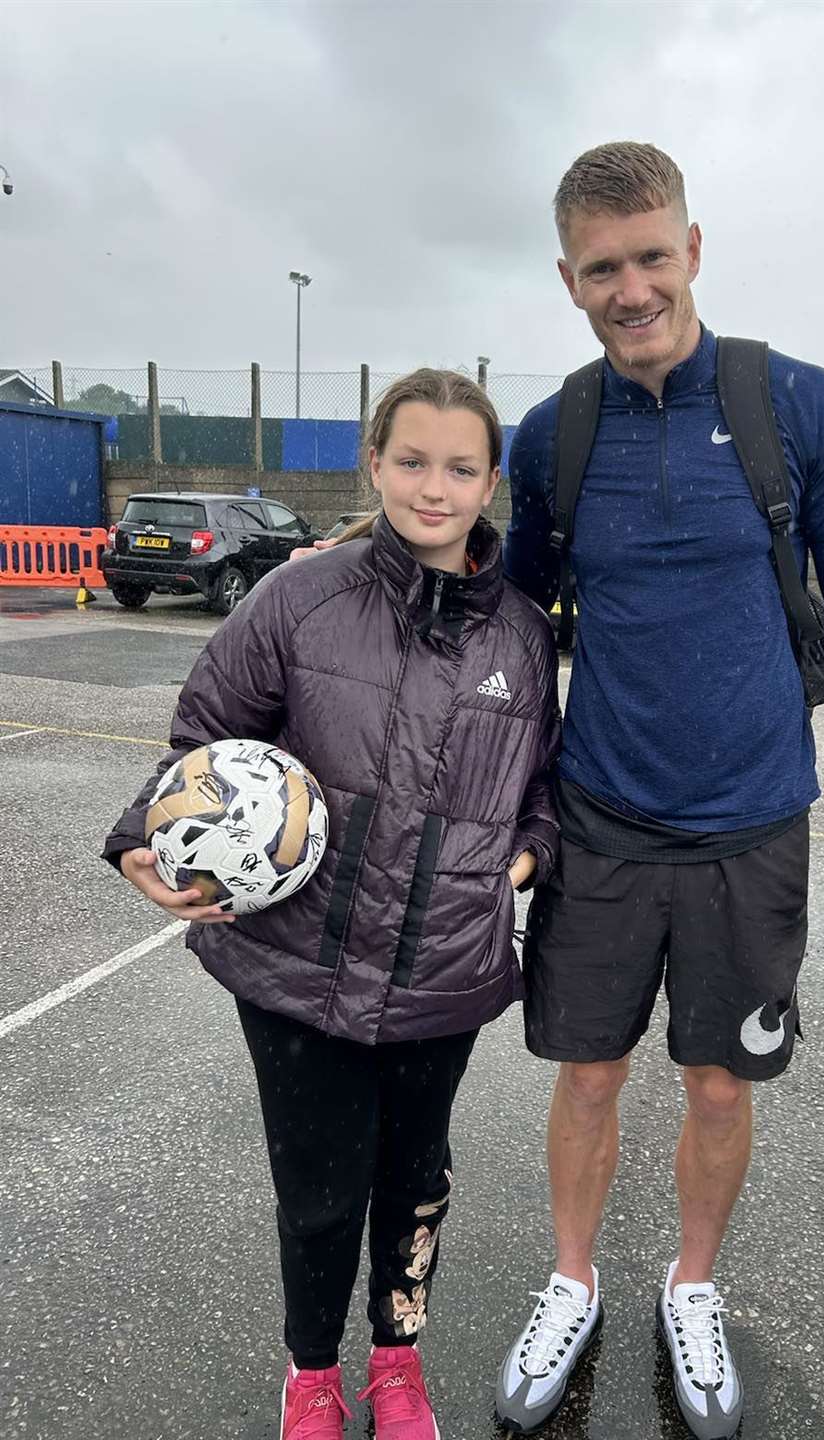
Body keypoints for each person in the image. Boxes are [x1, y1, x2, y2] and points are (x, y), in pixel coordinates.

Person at [488, 142, 824, 1439]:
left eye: (652, 255)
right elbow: (510, 633)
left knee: (720, 1087)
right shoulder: (551, 434)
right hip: (599, 824)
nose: (632, 287)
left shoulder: (796, 404)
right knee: (584, 1077)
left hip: (753, 825)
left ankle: (692, 1286)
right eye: (602, 267)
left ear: (694, 247)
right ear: (568, 278)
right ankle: (570, 1282)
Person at [102, 369, 560, 1440]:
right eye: (411, 462)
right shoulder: (300, 597)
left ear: (491, 478)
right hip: (295, 967)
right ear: (374, 462)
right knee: (316, 1193)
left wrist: (519, 866)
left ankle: (397, 1368)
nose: (433, 489)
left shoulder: (526, 638)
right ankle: (312, 1377)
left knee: (415, 1183)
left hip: (446, 969)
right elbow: (205, 735)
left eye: (459, 467)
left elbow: (545, 790)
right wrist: (140, 836)